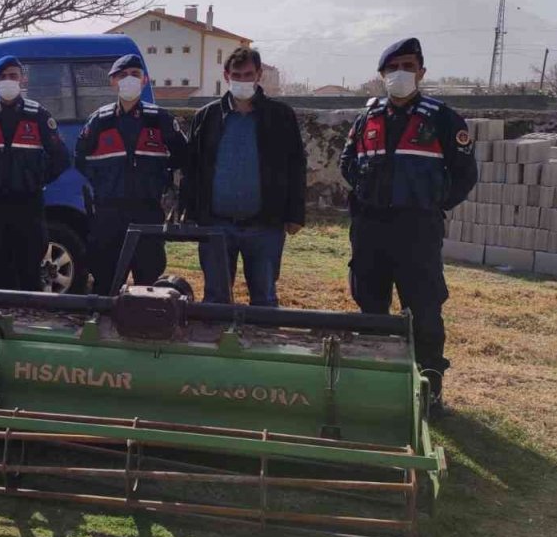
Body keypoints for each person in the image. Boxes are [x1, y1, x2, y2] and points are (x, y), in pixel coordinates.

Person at [338, 37, 477, 416]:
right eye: (393, 67)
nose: (401, 74)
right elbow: (348, 163)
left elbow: (465, 174)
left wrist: (432, 205)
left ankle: (429, 391)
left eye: (409, 66)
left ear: (422, 72)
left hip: (417, 230)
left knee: (425, 311)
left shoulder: (442, 118)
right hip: (371, 230)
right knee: (370, 308)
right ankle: (376, 384)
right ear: (382, 74)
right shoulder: (367, 118)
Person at [182, 47, 306, 306]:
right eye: (237, 75)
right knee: (216, 299)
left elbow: (296, 165)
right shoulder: (207, 117)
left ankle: (264, 343)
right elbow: (192, 168)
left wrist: (295, 214)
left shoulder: (281, 116)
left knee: (264, 299)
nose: (242, 80)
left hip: (265, 225)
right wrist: (189, 212)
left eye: (248, 74)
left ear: (259, 75)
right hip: (216, 225)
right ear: (226, 75)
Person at [75, 54, 188, 294]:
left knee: (149, 284)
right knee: (105, 281)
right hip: (108, 213)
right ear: (112, 82)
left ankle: (145, 330)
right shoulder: (99, 121)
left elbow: (183, 155)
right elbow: (81, 159)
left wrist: (162, 181)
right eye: (122, 75)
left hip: (147, 212)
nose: (129, 80)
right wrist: (106, 184)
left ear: (145, 80)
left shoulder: (160, 120)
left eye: (135, 75)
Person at [0, 55, 70, 291]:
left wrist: (37, 179)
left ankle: (28, 319)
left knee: (29, 269)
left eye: (13, 76)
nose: (8, 81)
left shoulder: (38, 115)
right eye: (3, 77)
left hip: (28, 205)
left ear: (22, 79)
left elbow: (61, 158)